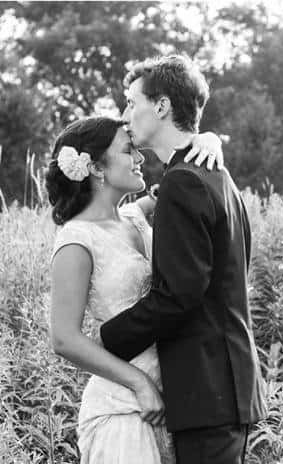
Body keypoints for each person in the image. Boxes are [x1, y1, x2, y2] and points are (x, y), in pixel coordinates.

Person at [98, 55, 267, 464]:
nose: (126, 114)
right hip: (224, 389)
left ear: (161, 107)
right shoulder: (214, 174)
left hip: (209, 390)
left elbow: (178, 295)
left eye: (131, 102)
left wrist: (106, 340)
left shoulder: (184, 180)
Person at [47, 114, 226, 463]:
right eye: (129, 150)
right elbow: (63, 339)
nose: (141, 157)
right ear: (97, 167)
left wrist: (210, 140)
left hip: (169, 406)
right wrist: (138, 383)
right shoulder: (76, 239)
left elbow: (186, 180)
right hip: (122, 412)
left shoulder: (134, 217)